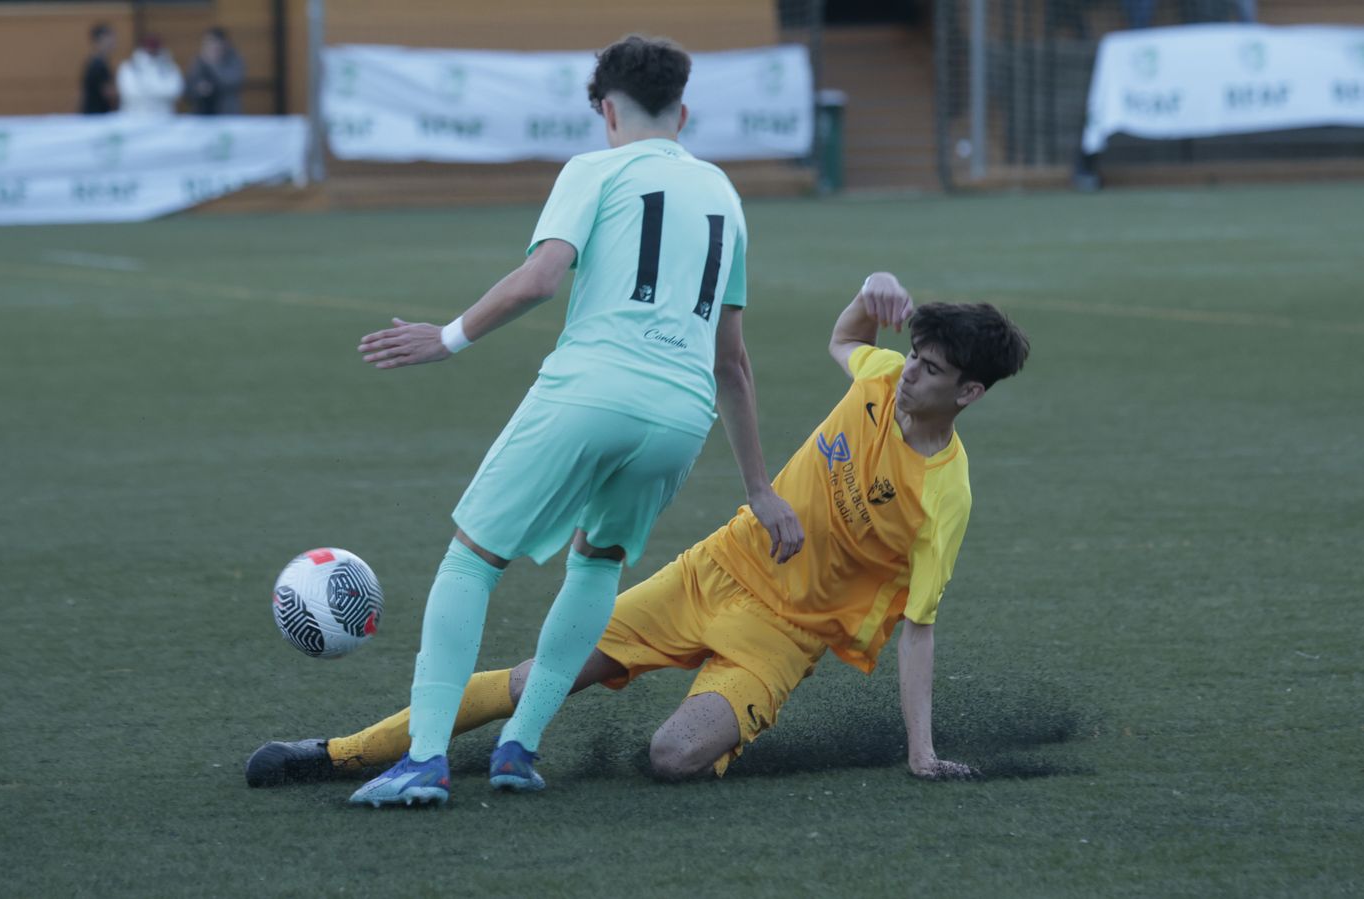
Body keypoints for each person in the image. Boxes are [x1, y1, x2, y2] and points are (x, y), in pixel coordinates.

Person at [247, 273, 1030, 788]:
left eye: (929, 369)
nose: (908, 373)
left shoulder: (944, 496)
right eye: (913, 355)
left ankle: (727, 718)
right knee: (532, 677)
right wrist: (871, 291)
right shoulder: (881, 376)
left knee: (671, 756)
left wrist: (920, 752)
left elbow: (919, 627)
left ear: (969, 393)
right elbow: (844, 336)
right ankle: (334, 753)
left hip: (784, 638)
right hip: (712, 571)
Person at [331, 34, 802, 808]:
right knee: (596, 563)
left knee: (473, 558)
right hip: (680, 417)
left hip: (593, 389)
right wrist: (759, 485)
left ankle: (424, 759)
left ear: (604, 110)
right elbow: (734, 360)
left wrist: (447, 337)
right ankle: (519, 748)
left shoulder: (593, 167)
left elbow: (542, 277)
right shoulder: (723, 193)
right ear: (682, 111)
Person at [115, 35, 183, 117]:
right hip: (134, 117)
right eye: (149, 48)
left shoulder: (169, 67)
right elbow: (130, 93)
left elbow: (175, 91)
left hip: (164, 117)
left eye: (154, 48)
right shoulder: (130, 67)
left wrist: (147, 89)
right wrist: (159, 90)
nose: (151, 50)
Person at [185, 27, 245, 116]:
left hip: (226, 113)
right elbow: (189, 87)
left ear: (224, 44)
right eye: (207, 43)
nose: (210, 47)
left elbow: (232, 82)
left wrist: (213, 64)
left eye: (214, 43)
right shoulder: (199, 60)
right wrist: (199, 89)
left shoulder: (233, 59)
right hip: (202, 114)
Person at [79, 23, 117, 115]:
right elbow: (109, 94)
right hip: (96, 115)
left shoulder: (97, 62)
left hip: (94, 113)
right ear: (100, 39)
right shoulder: (98, 65)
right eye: (110, 38)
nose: (113, 41)